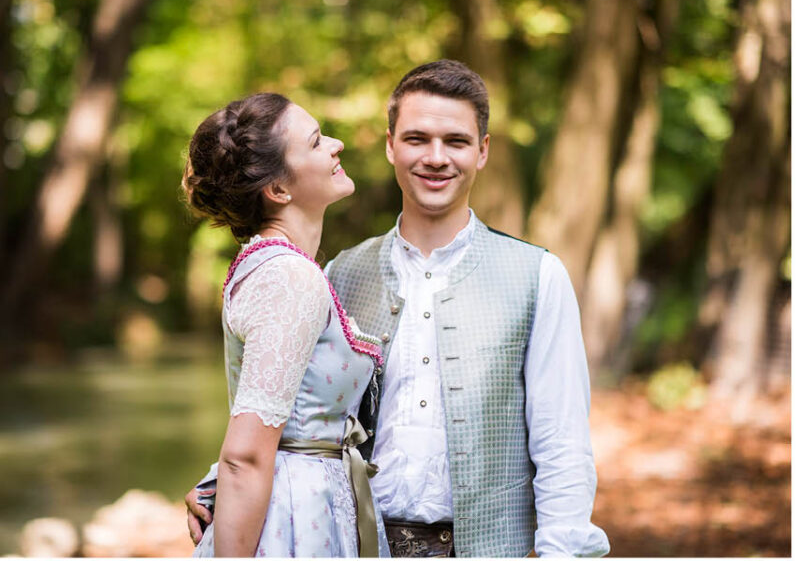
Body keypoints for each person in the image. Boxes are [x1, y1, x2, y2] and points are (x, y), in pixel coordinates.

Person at [188, 61, 609, 558]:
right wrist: (221, 483)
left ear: (484, 151)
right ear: (390, 145)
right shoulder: (335, 275)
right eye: (416, 139)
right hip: (359, 543)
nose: (436, 157)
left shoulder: (538, 276)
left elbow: (562, 445)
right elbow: (300, 410)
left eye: (456, 141)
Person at [181, 92, 391, 557]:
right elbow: (247, 456)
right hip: (295, 520)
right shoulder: (287, 277)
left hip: (311, 504)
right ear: (278, 190)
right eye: (316, 142)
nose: (336, 144)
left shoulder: (282, 268)